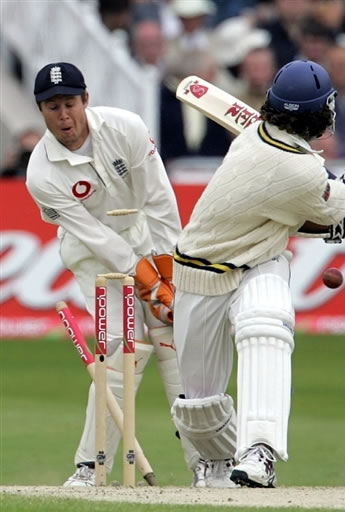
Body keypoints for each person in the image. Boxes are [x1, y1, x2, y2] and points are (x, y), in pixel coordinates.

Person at [170, 60, 345, 488]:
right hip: (202, 274)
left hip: (260, 258)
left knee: (267, 323)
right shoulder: (301, 173)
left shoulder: (258, 134)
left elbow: (294, 208)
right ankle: (215, 462)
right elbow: (324, 207)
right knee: (199, 410)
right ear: (318, 113)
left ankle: (259, 452)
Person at [25, 62, 199, 486]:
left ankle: (205, 461)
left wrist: (169, 273)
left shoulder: (127, 128)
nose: (63, 116)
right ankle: (90, 466)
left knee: (171, 341)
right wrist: (142, 277)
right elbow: (94, 236)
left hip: (145, 234)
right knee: (125, 349)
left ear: (85, 99)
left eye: (69, 104)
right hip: (93, 254)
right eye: (52, 108)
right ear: (41, 111)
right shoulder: (41, 173)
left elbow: (159, 200)